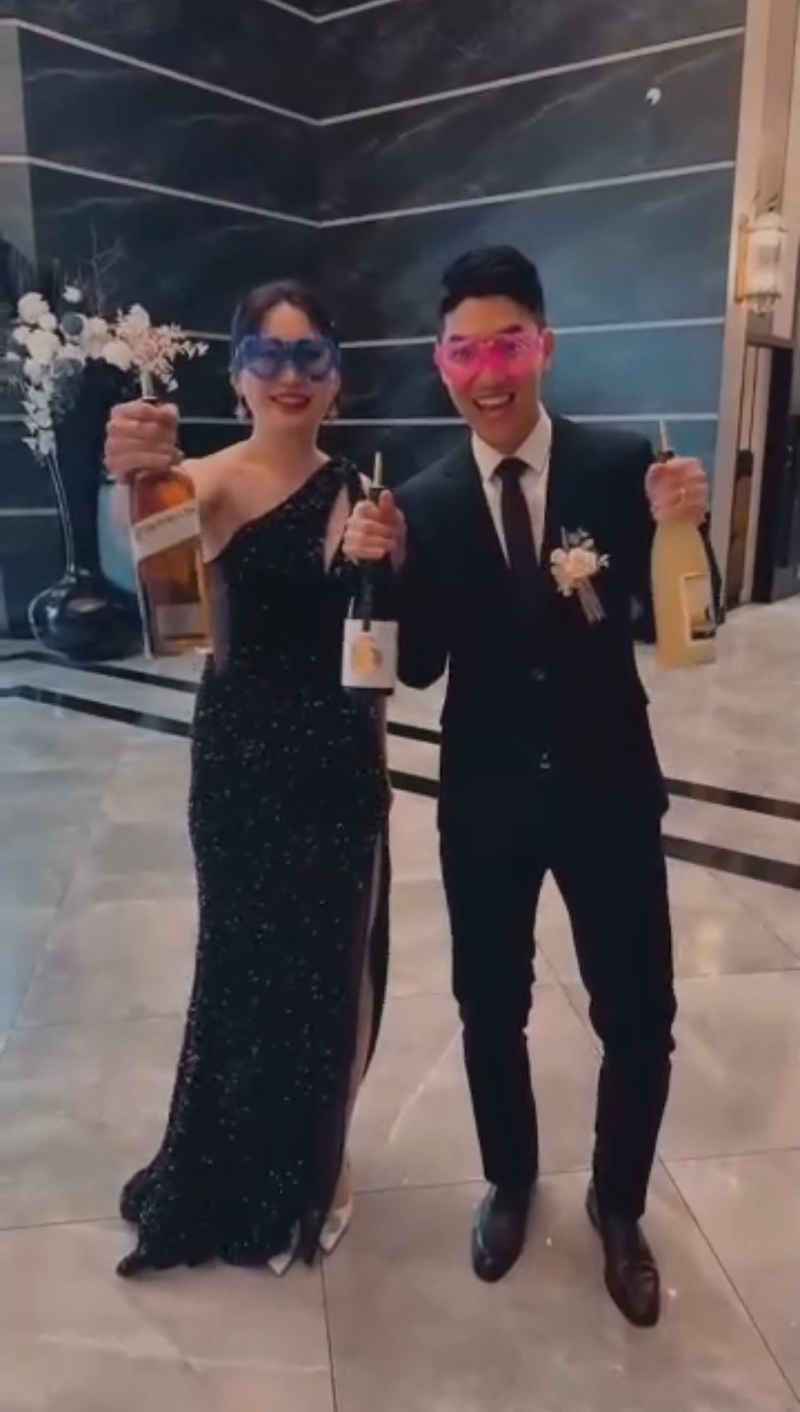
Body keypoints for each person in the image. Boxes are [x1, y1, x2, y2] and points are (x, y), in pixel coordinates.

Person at [343, 246, 715, 1329]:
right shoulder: (421, 499)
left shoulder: (620, 466)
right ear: (441, 363)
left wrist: (686, 519)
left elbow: (684, 617)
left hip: (608, 785)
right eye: (464, 351)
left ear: (543, 346)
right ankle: (509, 1180)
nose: (488, 372)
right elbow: (414, 667)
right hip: (487, 796)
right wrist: (383, 569)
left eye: (507, 345)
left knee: (639, 1012)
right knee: (489, 1006)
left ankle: (618, 1202)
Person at [103, 280, 391, 1278]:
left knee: (335, 972)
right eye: (268, 356)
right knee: (248, 972)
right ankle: (248, 1177)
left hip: (342, 763)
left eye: (310, 355)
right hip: (244, 766)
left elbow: (373, 646)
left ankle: (315, 1163)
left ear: (336, 375)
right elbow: (149, 577)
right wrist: (131, 478)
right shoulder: (206, 482)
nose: (289, 375)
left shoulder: (360, 488)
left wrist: (387, 566)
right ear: (235, 376)